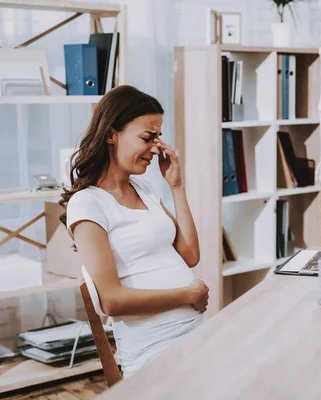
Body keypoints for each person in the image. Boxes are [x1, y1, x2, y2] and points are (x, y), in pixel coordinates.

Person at [60, 85, 209, 377]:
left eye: (158, 137)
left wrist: (176, 187)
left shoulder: (144, 188)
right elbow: (112, 301)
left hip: (195, 334)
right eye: (147, 137)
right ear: (111, 134)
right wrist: (187, 294)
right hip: (154, 350)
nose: (156, 147)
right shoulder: (88, 203)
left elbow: (190, 255)